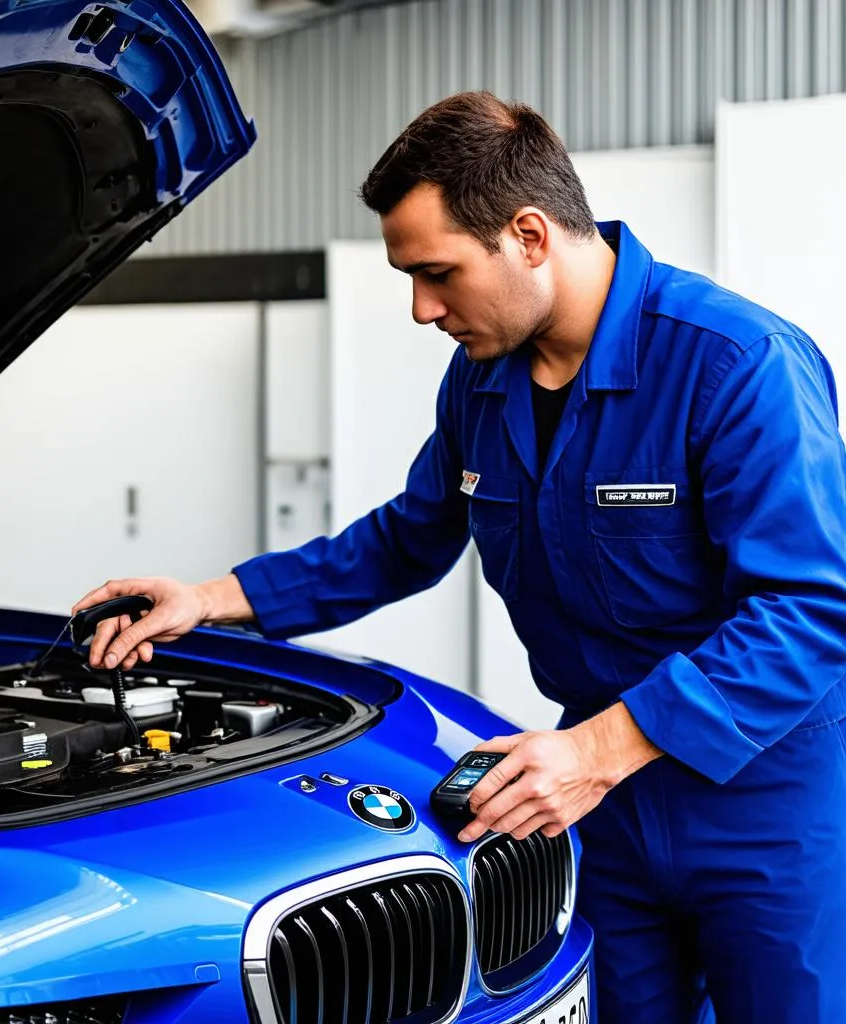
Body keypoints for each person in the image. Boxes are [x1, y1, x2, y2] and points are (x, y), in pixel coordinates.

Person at [73, 92, 846, 1022]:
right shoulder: (483, 379)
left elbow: (810, 611)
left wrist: (599, 751)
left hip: (762, 800)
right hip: (595, 800)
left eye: (437, 274)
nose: (420, 309)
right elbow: (408, 537)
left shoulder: (737, 363)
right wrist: (208, 598)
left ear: (527, 235)